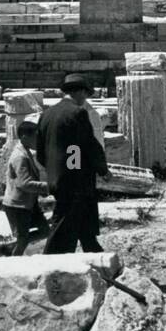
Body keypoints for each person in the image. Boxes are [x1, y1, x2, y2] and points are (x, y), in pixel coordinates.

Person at [38, 74, 109, 254]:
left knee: (83, 227)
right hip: (75, 182)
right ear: (80, 91)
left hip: (57, 178)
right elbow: (85, 145)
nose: (85, 100)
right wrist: (102, 169)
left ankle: (96, 258)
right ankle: (49, 265)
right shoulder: (77, 113)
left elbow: (41, 152)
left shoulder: (47, 114)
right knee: (63, 228)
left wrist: (55, 169)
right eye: (86, 95)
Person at [2, 121, 51, 255]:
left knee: (45, 230)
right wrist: (49, 187)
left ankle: (11, 248)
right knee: (22, 239)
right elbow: (24, 183)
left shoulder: (25, 152)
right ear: (24, 137)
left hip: (27, 203)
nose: (38, 141)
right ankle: (13, 260)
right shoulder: (20, 156)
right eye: (35, 137)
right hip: (18, 205)